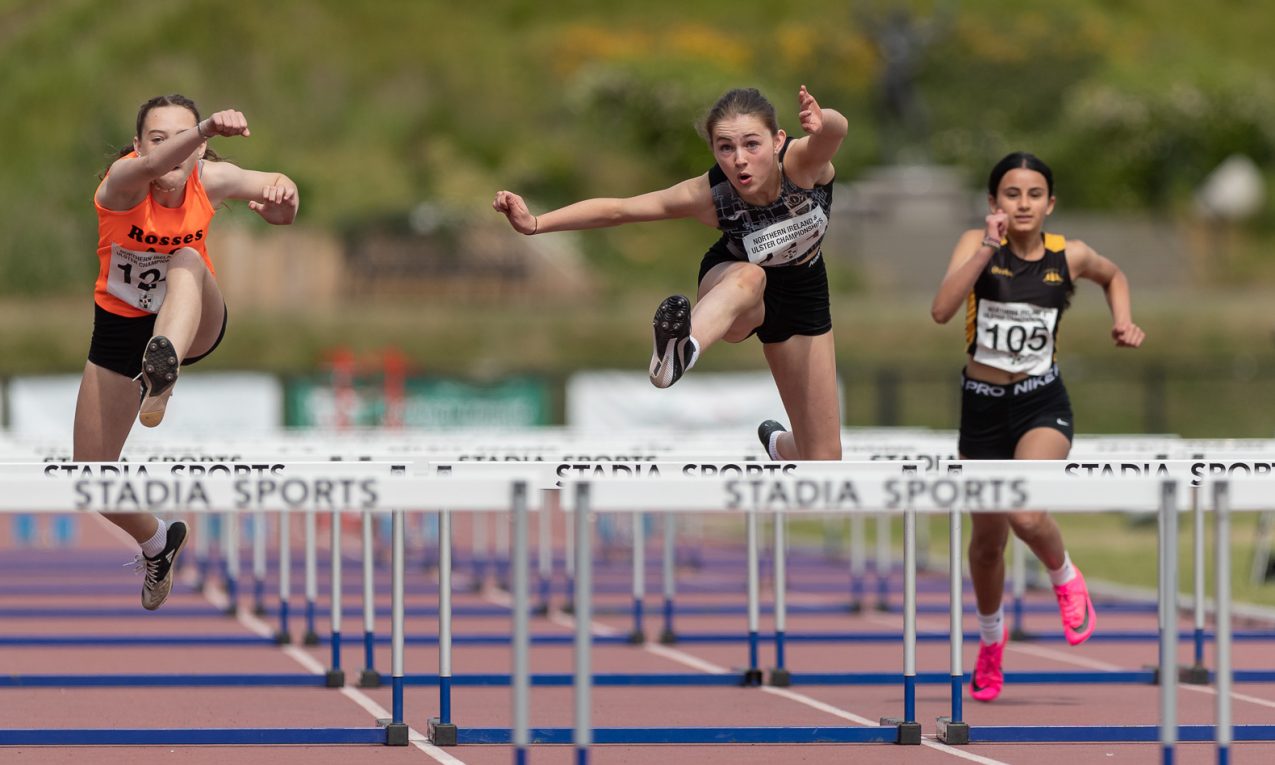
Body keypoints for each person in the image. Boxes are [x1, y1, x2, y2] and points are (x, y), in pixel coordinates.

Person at [494, 86, 846, 463]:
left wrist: (822, 119)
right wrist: (535, 224)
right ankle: (683, 348)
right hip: (733, 290)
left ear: (778, 140)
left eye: (751, 145)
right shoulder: (709, 195)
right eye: (725, 148)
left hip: (804, 293)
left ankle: (778, 444)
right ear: (714, 151)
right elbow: (620, 210)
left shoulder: (802, 165)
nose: (739, 160)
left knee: (823, 459)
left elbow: (836, 132)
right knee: (752, 278)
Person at [930, 151, 1145, 701]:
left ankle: (1066, 576)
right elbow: (942, 310)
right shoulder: (975, 245)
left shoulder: (1068, 255)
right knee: (985, 545)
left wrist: (1122, 319)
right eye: (1010, 194)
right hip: (980, 408)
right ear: (993, 202)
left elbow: (1114, 274)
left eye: (1032, 195)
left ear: (1050, 203)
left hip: (1040, 403)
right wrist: (985, 247)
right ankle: (991, 642)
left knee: (1025, 511)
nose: (1022, 204)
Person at [76, 94, 299, 609]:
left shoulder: (210, 178)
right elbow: (161, 162)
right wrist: (200, 131)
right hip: (119, 329)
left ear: (201, 155)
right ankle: (158, 542)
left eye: (184, 142)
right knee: (89, 478)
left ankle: (164, 367)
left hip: (193, 316)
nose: (173, 154)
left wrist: (285, 202)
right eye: (160, 140)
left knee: (187, 258)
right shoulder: (122, 183)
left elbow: (280, 191)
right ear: (137, 148)